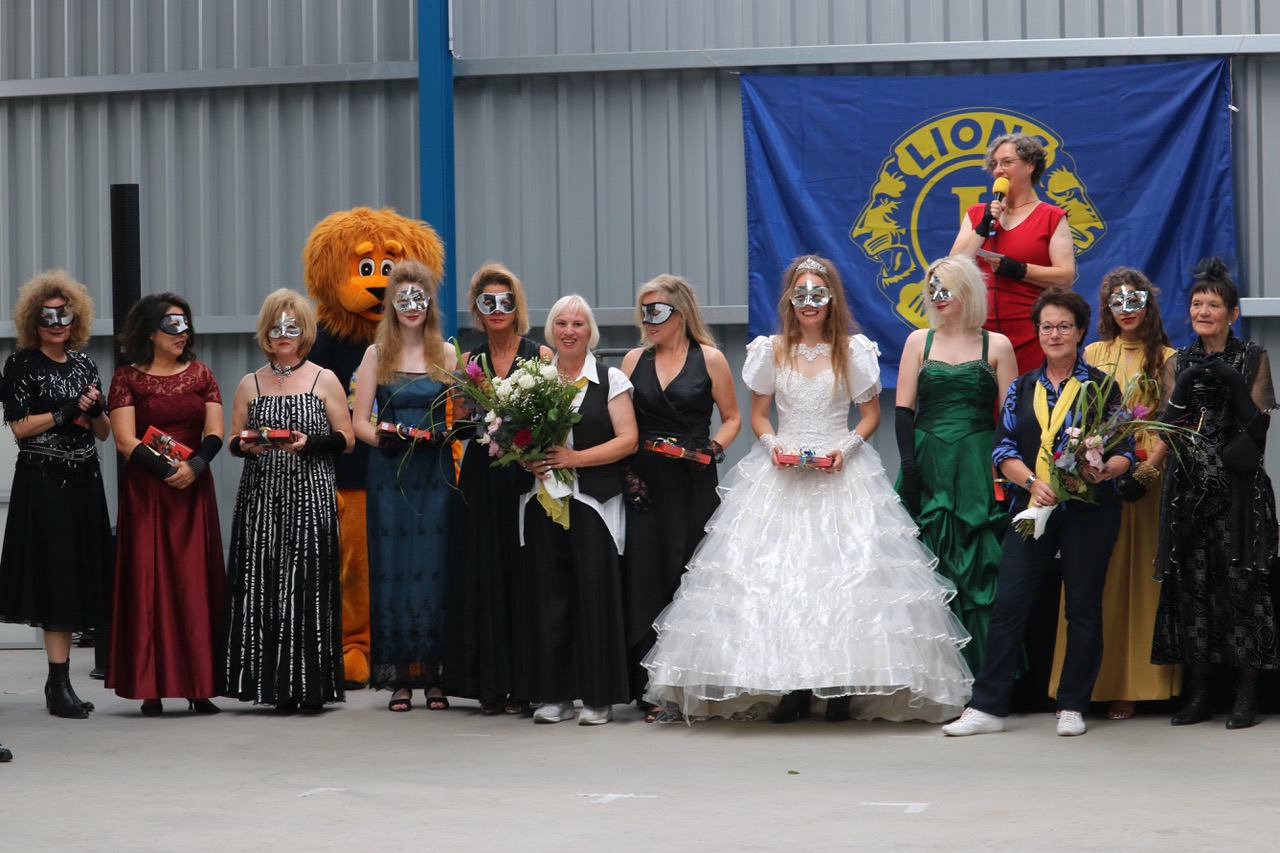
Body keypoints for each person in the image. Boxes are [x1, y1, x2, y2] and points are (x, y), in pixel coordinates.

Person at [643, 255, 973, 724]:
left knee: (845, 580)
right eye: (801, 294)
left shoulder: (853, 351)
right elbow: (757, 415)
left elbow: (871, 415)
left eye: (818, 294)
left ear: (832, 299)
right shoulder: (771, 350)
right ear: (789, 301)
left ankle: (838, 687)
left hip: (841, 473)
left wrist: (846, 449)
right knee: (779, 580)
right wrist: (774, 444)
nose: (809, 303)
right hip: (782, 474)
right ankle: (790, 688)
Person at [944, 289, 1134, 738]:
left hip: (1089, 511)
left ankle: (1072, 705)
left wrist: (1105, 469)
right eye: (1046, 326)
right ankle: (987, 706)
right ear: (1038, 333)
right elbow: (1003, 450)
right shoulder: (1022, 387)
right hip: (1032, 508)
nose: (1054, 334)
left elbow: (1125, 449)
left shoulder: (1102, 386)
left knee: (1083, 607)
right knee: (1010, 603)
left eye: (1064, 326)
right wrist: (1031, 483)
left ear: (1080, 331)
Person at [1047, 268, 1179, 720]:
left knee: (1139, 582)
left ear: (1148, 303)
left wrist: (1146, 468)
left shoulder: (1167, 356)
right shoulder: (1092, 352)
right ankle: (1091, 685)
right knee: (1092, 582)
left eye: (1134, 299)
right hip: (1094, 480)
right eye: (1117, 301)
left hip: (1144, 479)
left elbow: (1172, 418)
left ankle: (1134, 685)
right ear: (1104, 307)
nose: (1127, 309)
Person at [1151, 259, 1278, 730]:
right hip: (1190, 493)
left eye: (1214, 304)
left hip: (1241, 492)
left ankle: (1246, 693)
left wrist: (1229, 379)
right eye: (1197, 303)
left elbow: (1259, 427)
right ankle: (1199, 692)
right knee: (1193, 591)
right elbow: (1168, 427)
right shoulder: (1177, 361)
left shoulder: (1252, 357)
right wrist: (1183, 386)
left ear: (1232, 313)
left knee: (1242, 588)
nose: (1204, 311)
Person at [220, 289, 353, 711]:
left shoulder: (323, 379)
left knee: (306, 585)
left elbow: (347, 440)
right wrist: (245, 447)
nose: (283, 335)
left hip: (310, 496)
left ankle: (306, 686)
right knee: (261, 584)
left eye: (292, 327)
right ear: (265, 331)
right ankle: (265, 685)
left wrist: (308, 443)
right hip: (261, 498)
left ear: (304, 332)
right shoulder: (249, 383)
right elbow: (232, 439)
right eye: (276, 327)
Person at [619, 275, 741, 723]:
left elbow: (731, 418)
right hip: (645, 484)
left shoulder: (711, 359)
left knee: (690, 577)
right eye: (644, 312)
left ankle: (690, 680)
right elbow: (621, 425)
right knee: (645, 576)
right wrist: (628, 476)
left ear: (681, 312)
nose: (648, 320)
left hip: (692, 480)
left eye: (657, 311)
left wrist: (714, 449)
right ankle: (648, 688)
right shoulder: (632, 360)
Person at [515, 295, 639, 725]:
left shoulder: (611, 379)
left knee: (595, 596)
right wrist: (526, 457)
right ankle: (554, 694)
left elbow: (628, 440)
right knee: (550, 598)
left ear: (591, 333)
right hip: (541, 502)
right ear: (552, 331)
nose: (569, 331)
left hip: (593, 504)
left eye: (579, 324)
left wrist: (575, 460)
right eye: (562, 323)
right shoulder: (531, 378)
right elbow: (516, 436)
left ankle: (598, 697)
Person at [895, 256, 1017, 672]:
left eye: (946, 288)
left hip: (978, 465)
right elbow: (902, 411)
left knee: (982, 564)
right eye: (933, 290)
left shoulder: (997, 344)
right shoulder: (918, 342)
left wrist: (1007, 470)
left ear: (968, 290)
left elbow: (1011, 418)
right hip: (926, 463)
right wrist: (908, 466)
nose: (938, 297)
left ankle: (986, 675)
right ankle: (931, 675)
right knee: (925, 563)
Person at [107, 293, 226, 717]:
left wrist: (194, 466)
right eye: (173, 325)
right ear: (150, 332)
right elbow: (124, 439)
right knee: (149, 583)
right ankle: (151, 685)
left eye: (185, 324)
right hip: (149, 494)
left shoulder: (202, 374)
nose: (183, 332)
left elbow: (215, 431)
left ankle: (199, 685)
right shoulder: (127, 379)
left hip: (193, 491)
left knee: (194, 585)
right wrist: (166, 471)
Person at [0, 270, 112, 719]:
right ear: (34, 320)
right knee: (55, 578)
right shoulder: (20, 364)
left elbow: (103, 433)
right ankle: (59, 681)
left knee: (79, 577)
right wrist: (67, 411)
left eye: (63, 315)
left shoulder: (85, 364)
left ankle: (57, 681)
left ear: (75, 318)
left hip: (85, 481)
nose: (56, 323)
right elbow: (20, 427)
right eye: (47, 316)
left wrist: (99, 410)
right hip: (43, 482)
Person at [442, 262, 551, 715]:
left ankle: (526, 685)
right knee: (485, 576)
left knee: (527, 577)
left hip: (526, 476)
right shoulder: (468, 361)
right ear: (477, 309)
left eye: (506, 301)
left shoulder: (540, 355)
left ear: (517, 306)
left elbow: (549, 420)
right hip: (483, 480)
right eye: (489, 302)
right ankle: (489, 685)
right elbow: (461, 422)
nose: (498, 309)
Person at [351, 260, 456, 713]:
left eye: (420, 298)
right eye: (403, 298)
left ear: (430, 303)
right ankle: (398, 678)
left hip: (435, 474)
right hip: (390, 475)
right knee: (392, 568)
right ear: (392, 304)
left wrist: (439, 439)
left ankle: (433, 675)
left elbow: (462, 417)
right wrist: (386, 440)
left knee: (435, 567)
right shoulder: (376, 355)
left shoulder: (448, 355)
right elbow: (358, 423)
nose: (412, 307)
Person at [950, 132, 1075, 374]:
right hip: (979, 333)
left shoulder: (1051, 217)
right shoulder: (978, 213)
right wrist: (983, 224)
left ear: (1030, 166)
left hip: (1029, 332)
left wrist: (1019, 269)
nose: (998, 170)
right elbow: (952, 268)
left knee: (1026, 404)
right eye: (994, 164)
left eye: (1007, 162)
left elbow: (1065, 276)